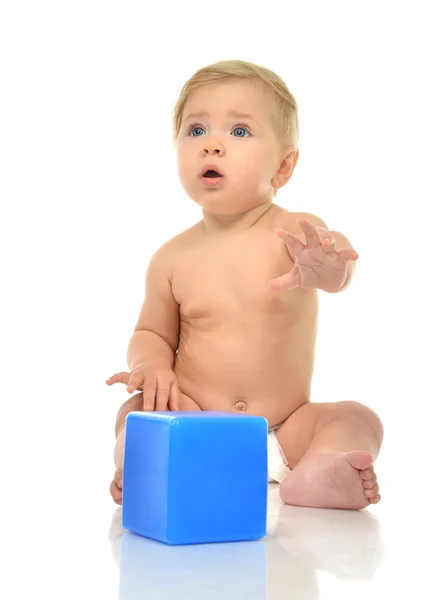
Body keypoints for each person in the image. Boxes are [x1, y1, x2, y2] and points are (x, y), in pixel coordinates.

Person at [107, 59, 383, 510]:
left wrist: (329, 266)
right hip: (196, 427)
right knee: (136, 411)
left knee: (359, 418)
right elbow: (152, 333)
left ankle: (321, 469)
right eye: (196, 131)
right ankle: (141, 468)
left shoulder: (295, 231)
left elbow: (339, 267)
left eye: (238, 132)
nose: (212, 145)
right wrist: (152, 365)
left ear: (283, 167)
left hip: (286, 430)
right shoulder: (171, 258)